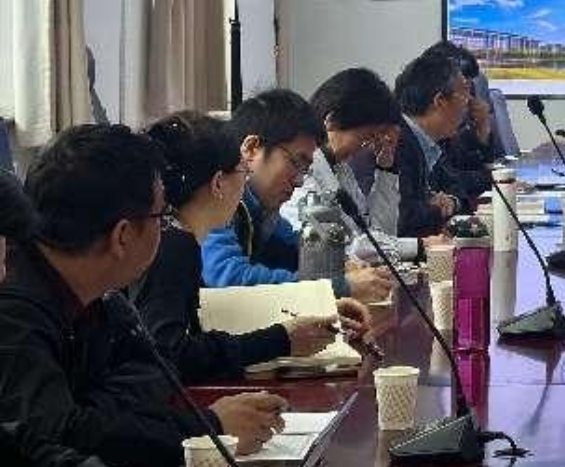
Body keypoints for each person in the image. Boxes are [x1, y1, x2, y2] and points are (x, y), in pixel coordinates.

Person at [0, 125, 289, 464]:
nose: (167, 229)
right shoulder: (14, 313)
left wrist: (94, 409)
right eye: (163, 217)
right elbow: (59, 434)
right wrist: (207, 427)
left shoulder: (105, 300)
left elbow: (158, 372)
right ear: (122, 235)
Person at [134, 112, 368, 383]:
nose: (245, 182)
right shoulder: (173, 245)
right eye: (243, 171)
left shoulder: (176, 236)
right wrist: (280, 340)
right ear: (218, 183)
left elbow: (212, 314)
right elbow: (171, 354)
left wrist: (314, 305)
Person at [199, 90, 393, 301]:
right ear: (252, 148)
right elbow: (228, 280)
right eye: (295, 162)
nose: (299, 181)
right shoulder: (213, 196)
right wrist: (339, 287)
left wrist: (343, 265)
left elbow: (296, 250)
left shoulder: (261, 210)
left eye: (305, 169)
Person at [287, 67, 445, 264]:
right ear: (332, 121)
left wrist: (386, 168)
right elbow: (345, 249)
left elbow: (377, 233)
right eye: (366, 137)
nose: (369, 146)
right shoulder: (305, 175)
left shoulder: (340, 169)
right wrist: (419, 246)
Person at [393, 53, 473, 238]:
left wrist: (450, 202)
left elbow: (458, 188)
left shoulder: (427, 140)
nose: (468, 103)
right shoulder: (399, 141)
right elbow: (405, 222)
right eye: (464, 94)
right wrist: (434, 208)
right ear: (440, 101)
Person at [421, 41, 501, 201]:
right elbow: (449, 180)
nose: (469, 99)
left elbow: (468, 164)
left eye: (470, 88)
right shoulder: (424, 126)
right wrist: (493, 178)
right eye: (464, 89)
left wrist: (483, 131)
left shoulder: (456, 127)